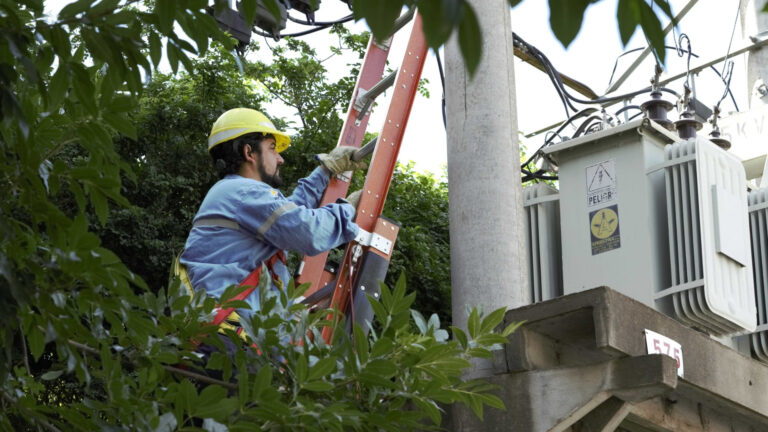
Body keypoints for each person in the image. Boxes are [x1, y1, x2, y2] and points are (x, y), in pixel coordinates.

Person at [179, 107, 367, 323]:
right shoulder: (244, 193)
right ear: (249, 153)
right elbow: (308, 231)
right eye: (272, 148)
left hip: (221, 332)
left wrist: (325, 171)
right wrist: (348, 210)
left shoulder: (234, 194)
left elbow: (289, 213)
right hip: (230, 339)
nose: (280, 159)